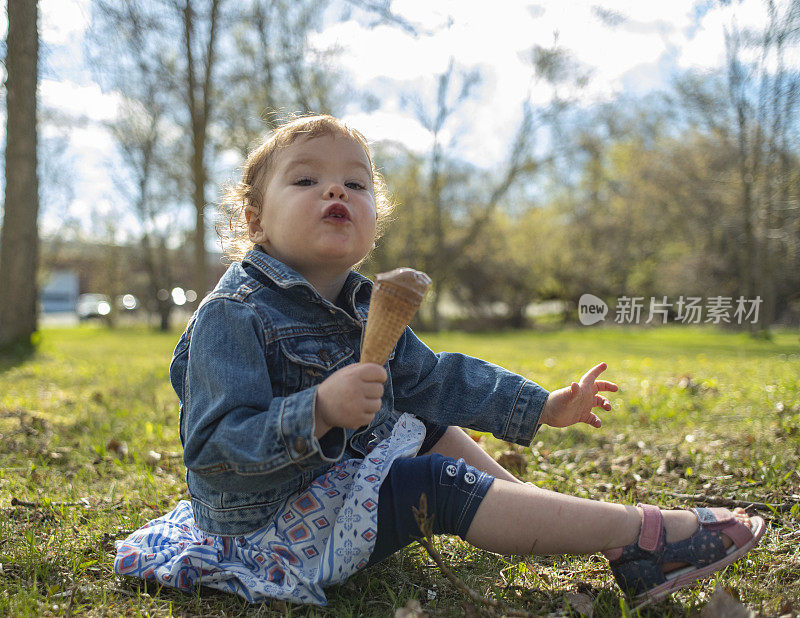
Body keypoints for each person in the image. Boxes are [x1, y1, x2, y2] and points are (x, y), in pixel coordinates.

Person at [114, 114, 764, 607]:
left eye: (355, 182)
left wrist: (542, 405)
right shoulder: (234, 314)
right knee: (431, 485)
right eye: (307, 178)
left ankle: (543, 516)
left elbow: (436, 379)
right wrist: (317, 410)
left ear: (374, 218)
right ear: (256, 221)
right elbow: (212, 448)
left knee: (425, 422)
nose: (334, 189)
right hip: (273, 530)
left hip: (326, 487)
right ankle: (643, 536)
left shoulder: (363, 303)